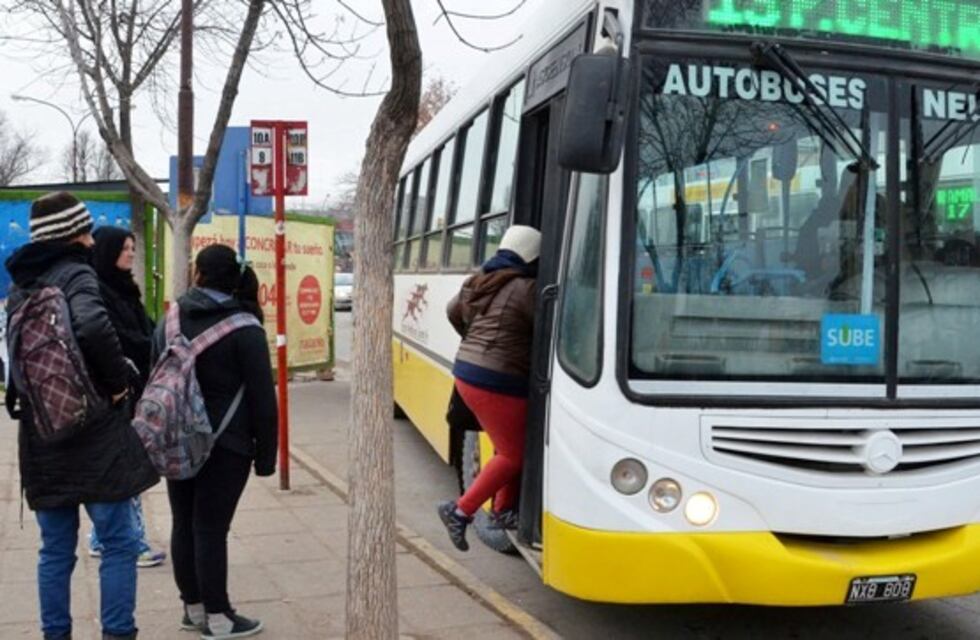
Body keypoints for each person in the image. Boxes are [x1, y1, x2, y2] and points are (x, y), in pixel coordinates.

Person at [5, 191, 159, 640]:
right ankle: (117, 633)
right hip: (94, 429)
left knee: (54, 549)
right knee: (118, 542)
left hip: (43, 430)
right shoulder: (77, 274)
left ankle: (56, 634)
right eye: (86, 228)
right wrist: (116, 385)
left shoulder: (21, 285)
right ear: (76, 231)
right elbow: (92, 325)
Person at [157, 244, 278, 639]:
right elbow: (263, 399)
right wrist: (266, 457)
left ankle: (193, 609)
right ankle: (220, 617)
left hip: (176, 437)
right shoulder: (246, 328)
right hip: (228, 445)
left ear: (198, 275)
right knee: (210, 528)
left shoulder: (170, 319)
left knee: (183, 523)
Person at [437, 225, 540, 551]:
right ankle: (460, 510)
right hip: (497, 379)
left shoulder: (480, 280)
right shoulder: (526, 288)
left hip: (468, 371)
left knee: (508, 445)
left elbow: (453, 311)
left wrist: (473, 342)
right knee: (515, 453)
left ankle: (502, 512)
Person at [85, 226, 167, 567]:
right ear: (107, 252)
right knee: (127, 466)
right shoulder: (98, 292)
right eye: (125, 249)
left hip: (132, 388)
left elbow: (147, 329)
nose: (131, 254)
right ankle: (132, 542)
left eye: (133, 247)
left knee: (123, 465)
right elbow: (118, 338)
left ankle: (101, 537)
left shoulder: (124, 288)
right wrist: (153, 346)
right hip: (115, 392)